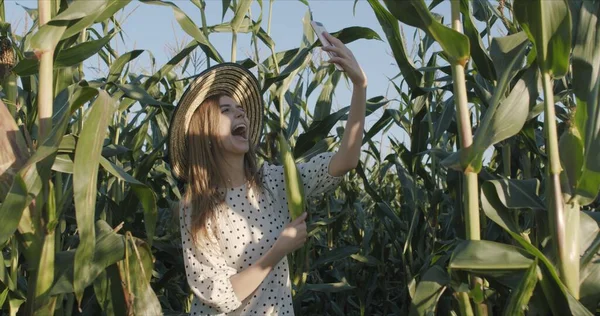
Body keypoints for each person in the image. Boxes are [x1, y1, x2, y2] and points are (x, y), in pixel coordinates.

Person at [167, 32, 367, 315]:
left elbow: (345, 161)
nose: (241, 114)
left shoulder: (275, 181)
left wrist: (359, 85)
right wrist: (277, 250)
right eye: (227, 110)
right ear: (206, 134)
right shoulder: (197, 207)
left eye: (241, 110)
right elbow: (220, 295)